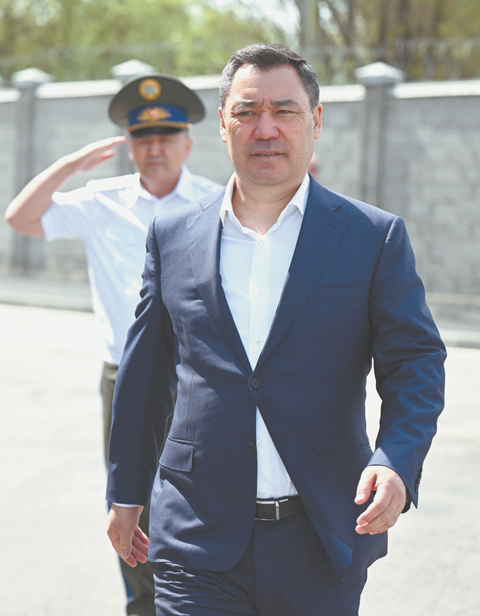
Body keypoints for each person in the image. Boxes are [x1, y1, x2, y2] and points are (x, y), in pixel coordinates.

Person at [106, 44, 446, 616]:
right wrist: (125, 492)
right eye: (246, 112)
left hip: (322, 536)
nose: (265, 128)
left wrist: (397, 459)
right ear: (223, 124)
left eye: (284, 110)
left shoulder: (372, 237)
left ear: (315, 121)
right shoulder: (172, 237)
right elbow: (144, 376)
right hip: (197, 537)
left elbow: (415, 363)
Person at [5, 74, 222, 616]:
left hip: (195, 372)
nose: (155, 149)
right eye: (143, 139)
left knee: (202, 489)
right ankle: (144, 605)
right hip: (124, 374)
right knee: (130, 498)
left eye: (166, 137)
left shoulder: (215, 201)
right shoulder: (102, 200)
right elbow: (20, 217)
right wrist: (70, 165)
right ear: (129, 146)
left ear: (187, 144)